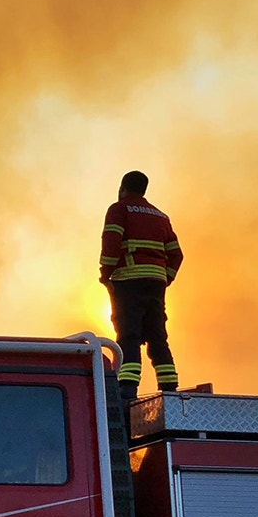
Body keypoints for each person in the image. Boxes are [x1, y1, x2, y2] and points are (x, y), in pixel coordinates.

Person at [99, 170, 183, 399]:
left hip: (128, 281)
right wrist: (165, 278)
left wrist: (105, 273)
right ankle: (169, 390)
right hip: (155, 284)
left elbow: (111, 242)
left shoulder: (119, 209)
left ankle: (127, 391)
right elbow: (177, 254)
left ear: (123, 187)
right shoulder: (161, 216)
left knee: (129, 335)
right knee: (157, 335)